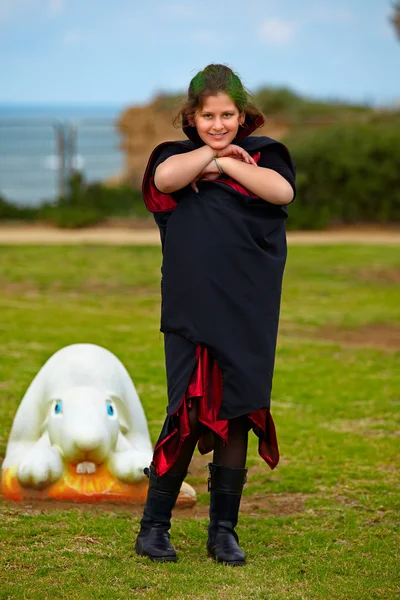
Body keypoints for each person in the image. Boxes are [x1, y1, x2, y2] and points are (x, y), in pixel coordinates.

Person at [135, 64, 296, 566]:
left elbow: (281, 193)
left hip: (247, 309)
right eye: (209, 116)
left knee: (239, 413)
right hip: (193, 308)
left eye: (228, 115)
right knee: (186, 410)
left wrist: (225, 165)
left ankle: (222, 532)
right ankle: (153, 528)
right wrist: (209, 155)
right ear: (192, 116)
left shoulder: (266, 156)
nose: (219, 124)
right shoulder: (175, 156)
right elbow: (165, 180)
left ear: (243, 114)